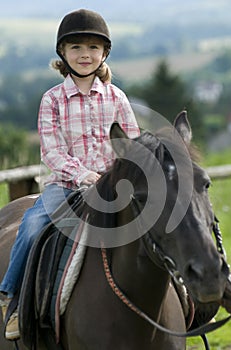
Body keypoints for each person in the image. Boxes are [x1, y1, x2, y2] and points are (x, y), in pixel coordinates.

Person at [0, 9, 140, 340]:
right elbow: (51, 152)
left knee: (159, 225)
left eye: (93, 48)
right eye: (76, 48)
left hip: (113, 187)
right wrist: (83, 175)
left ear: (104, 53)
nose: (84, 55)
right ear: (63, 53)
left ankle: (189, 295)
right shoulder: (52, 100)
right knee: (33, 225)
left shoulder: (117, 98)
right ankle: (14, 298)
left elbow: (131, 143)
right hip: (66, 187)